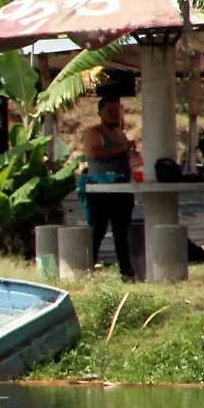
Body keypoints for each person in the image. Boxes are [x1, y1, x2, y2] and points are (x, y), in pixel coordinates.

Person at [82, 97, 137, 279]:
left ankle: (126, 271)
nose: (115, 115)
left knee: (122, 230)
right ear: (100, 112)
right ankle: (87, 268)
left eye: (117, 111)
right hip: (101, 188)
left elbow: (125, 153)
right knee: (98, 230)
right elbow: (94, 152)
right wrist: (123, 147)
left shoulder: (120, 133)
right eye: (110, 111)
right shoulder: (94, 132)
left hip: (122, 188)